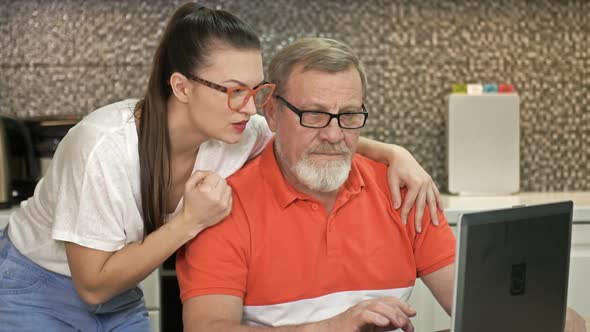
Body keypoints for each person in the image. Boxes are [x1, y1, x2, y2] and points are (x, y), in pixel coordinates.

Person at [0, 3, 441, 332]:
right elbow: (92, 285)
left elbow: (312, 132)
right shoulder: (103, 147)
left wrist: (394, 153)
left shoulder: (235, 129)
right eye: (233, 91)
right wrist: (190, 221)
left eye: (255, 90)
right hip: (36, 285)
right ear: (182, 87)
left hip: (119, 294)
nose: (249, 106)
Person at [177, 37, 588, 332]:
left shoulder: (402, 192)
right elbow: (207, 328)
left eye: (350, 115)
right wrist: (332, 328)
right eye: (315, 115)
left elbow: (479, 306)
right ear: (270, 111)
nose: (335, 135)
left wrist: (552, 318)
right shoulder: (223, 203)